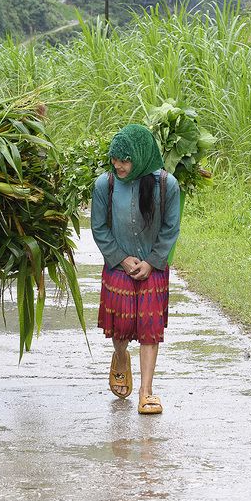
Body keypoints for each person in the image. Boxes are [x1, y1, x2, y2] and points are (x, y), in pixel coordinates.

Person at [91, 124, 180, 415]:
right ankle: (119, 357)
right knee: (122, 328)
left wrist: (153, 261)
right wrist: (121, 258)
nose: (119, 165)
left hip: (152, 268)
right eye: (115, 159)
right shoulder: (105, 184)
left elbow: (170, 229)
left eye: (125, 160)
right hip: (119, 267)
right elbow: (100, 228)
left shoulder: (167, 185)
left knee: (149, 330)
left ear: (140, 157)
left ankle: (146, 391)